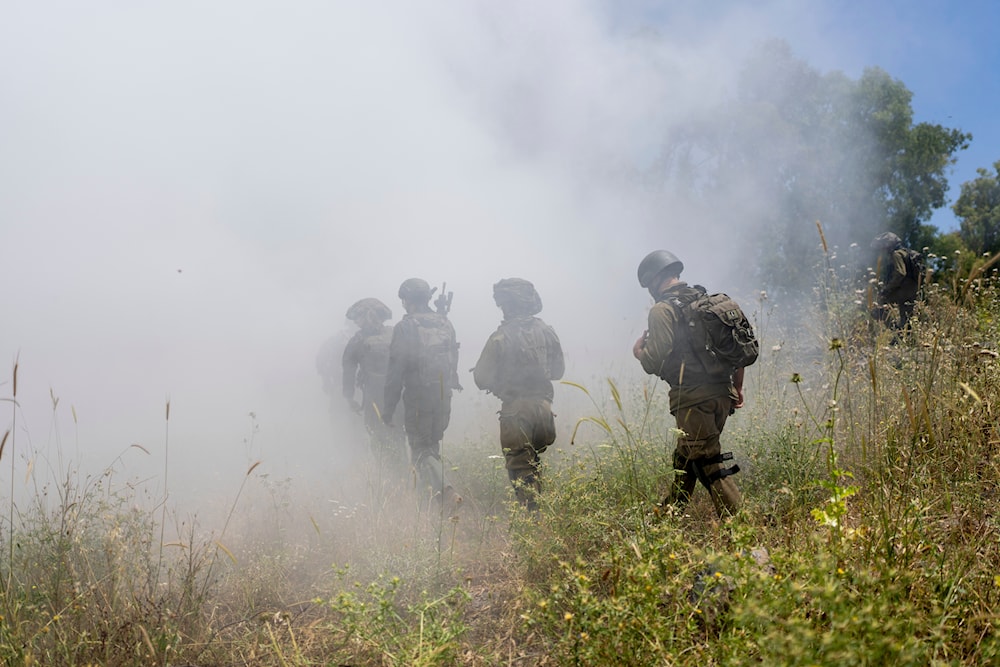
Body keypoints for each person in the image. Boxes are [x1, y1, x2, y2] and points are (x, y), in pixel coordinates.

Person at [632, 250, 743, 519]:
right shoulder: (709, 302)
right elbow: (738, 350)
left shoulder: (661, 310)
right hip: (722, 394)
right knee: (686, 458)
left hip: (694, 400)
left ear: (654, 281)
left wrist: (639, 354)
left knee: (708, 463)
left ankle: (745, 528)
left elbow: (653, 360)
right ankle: (665, 519)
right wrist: (737, 388)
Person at [473, 278, 565, 511]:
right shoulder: (547, 331)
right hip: (544, 410)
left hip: (516, 412)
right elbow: (558, 371)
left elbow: (481, 378)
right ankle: (541, 512)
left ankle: (533, 522)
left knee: (520, 470)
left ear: (508, 304)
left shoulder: (500, 337)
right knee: (533, 461)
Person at [382, 278, 463, 507]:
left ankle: (446, 491)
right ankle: (432, 504)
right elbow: (453, 359)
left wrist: (388, 409)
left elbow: (395, 371)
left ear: (408, 300)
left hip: (419, 397)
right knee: (432, 446)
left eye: (404, 300)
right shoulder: (445, 323)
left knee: (421, 450)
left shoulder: (405, 326)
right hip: (443, 396)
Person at [341, 297, 406, 467]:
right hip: (399, 397)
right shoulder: (396, 333)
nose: (356, 322)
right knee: (398, 435)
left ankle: (389, 477)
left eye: (358, 318)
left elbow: (348, 369)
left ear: (365, 317)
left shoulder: (358, 340)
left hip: (374, 400)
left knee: (378, 436)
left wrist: (349, 398)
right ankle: (404, 475)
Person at [871, 231, 922, 330]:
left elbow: (900, 273)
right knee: (906, 318)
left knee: (879, 307)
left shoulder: (896, 254)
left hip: (902, 290)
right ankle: (903, 338)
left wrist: (887, 288)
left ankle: (896, 331)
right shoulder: (905, 252)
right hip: (912, 290)